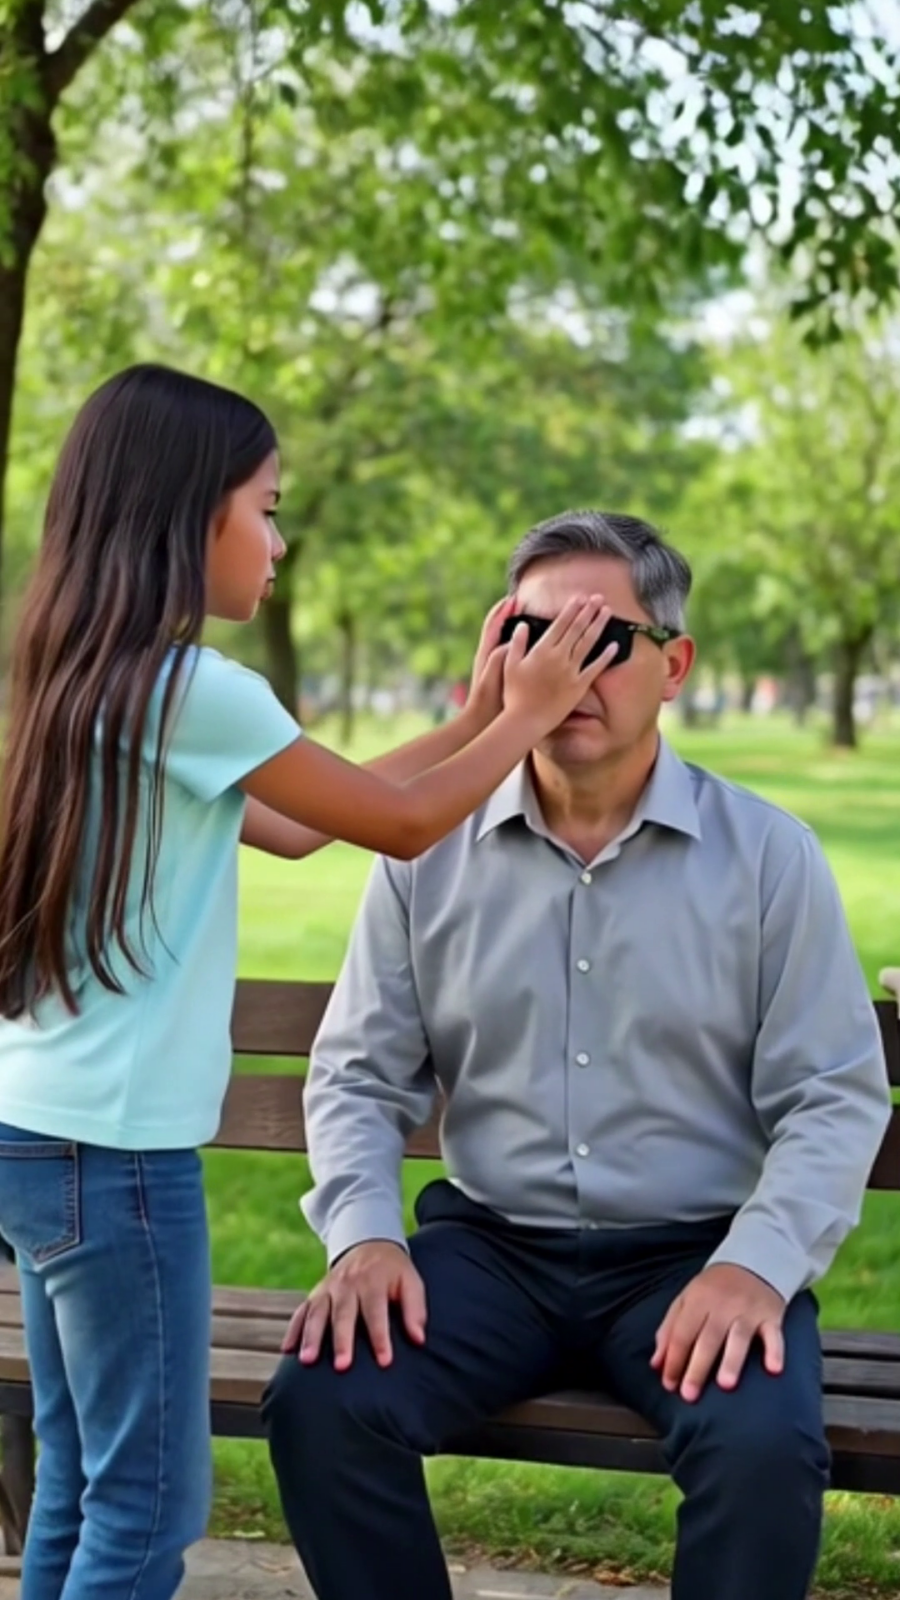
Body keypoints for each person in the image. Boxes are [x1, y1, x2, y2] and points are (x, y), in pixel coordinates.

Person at [0, 369, 621, 1600]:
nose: (279, 543)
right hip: (116, 1160)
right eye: (268, 509)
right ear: (189, 515)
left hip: (37, 1133)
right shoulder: (193, 689)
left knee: (80, 1472)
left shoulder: (86, 678)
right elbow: (402, 828)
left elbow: (299, 825)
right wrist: (528, 713)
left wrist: (476, 718)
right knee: (149, 1503)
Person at [263, 509, 892, 1600]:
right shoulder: (424, 852)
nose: (564, 670)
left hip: (693, 1255)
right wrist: (361, 1235)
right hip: (490, 1252)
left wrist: (756, 1265)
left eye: (602, 640)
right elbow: (358, 1073)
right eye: (533, 635)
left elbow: (833, 1094)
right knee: (324, 1400)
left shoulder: (769, 858)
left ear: (675, 666)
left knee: (762, 1446)